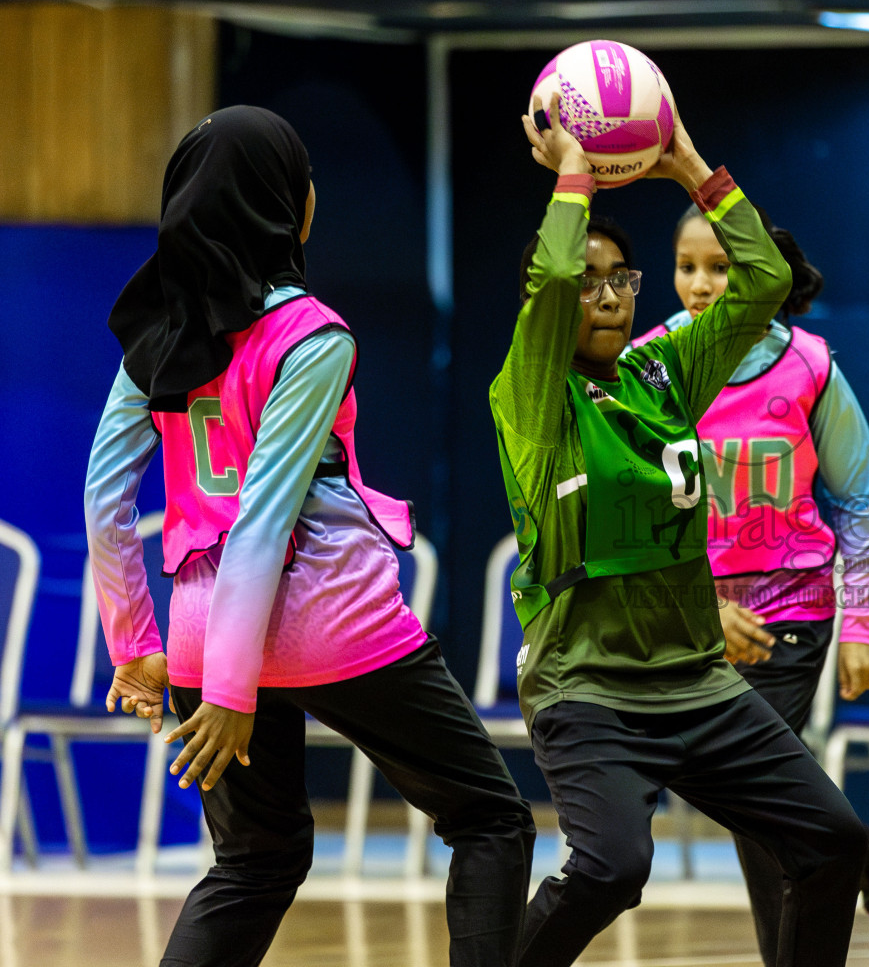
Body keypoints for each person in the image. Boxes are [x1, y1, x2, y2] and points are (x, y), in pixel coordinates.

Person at [85, 106, 535, 967]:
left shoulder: (156, 331)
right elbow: (264, 519)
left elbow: (104, 499)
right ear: (291, 206)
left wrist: (135, 642)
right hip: (330, 622)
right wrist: (231, 690)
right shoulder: (312, 333)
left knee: (254, 860)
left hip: (194, 630)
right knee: (492, 820)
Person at [492, 97, 868, 967]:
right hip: (587, 687)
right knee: (613, 867)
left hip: (696, 684)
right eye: (588, 281)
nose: (610, 296)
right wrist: (573, 178)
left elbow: (766, 283)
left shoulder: (662, 373)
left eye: (622, 278)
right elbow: (550, 287)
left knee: (832, 844)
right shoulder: (529, 391)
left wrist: (692, 165)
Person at [631, 213, 869, 967]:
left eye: (721, 268)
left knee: (757, 806)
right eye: (685, 266)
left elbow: (861, 499)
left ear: (760, 274)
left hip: (789, 612)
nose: (700, 286)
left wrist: (862, 625)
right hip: (694, 615)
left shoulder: (808, 365)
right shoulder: (650, 365)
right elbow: (629, 509)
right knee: (770, 797)